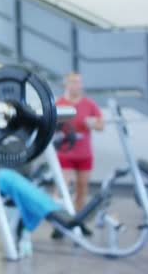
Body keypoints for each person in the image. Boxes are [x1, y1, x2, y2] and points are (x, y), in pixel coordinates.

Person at [55, 72, 103, 237]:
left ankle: (78, 221)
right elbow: (50, 125)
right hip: (65, 153)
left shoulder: (89, 104)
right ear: (66, 84)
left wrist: (94, 124)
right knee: (62, 187)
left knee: (82, 189)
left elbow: (101, 125)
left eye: (79, 82)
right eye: (73, 82)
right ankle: (59, 223)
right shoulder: (59, 104)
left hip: (84, 154)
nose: (77, 85)